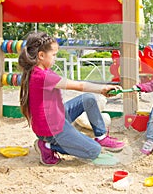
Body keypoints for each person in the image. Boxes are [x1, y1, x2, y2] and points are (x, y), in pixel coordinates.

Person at [18, 32, 124, 166]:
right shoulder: (42, 76)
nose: (55, 58)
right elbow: (78, 85)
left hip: (56, 118)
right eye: (54, 55)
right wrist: (102, 88)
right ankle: (47, 146)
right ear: (41, 55)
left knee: (88, 99)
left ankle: (101, 137)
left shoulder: (41, 71)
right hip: (51, 130)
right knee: (94, 151)